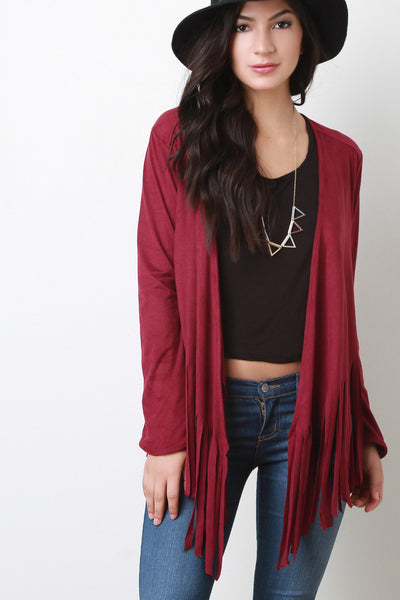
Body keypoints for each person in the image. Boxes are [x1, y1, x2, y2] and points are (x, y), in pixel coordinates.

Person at [137, 1, 388, 598]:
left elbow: (339, 310)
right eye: (244, 26)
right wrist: (166, 436)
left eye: (281, 23)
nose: (263, 45)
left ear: (305, 36)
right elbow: (158, 286)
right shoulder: (178, 139)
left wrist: (359, 426)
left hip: (313, 415)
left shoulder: (342, 158)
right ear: (223, 40)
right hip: (204, 414)